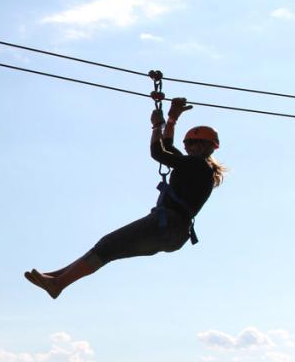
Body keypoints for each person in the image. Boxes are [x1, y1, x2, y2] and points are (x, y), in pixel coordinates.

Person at [24, 97, 225, 299]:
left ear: (209, 147)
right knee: (108, 247)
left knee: (109, 245)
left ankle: (59, 283)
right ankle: (57, 278)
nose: (192, 147)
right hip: (174, 232)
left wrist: (157, 125)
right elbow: (167, 146)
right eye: (190, 143)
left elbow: (158, 151)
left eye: (198, 144)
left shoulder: (197, 165)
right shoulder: (194, 165)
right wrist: (172, 120)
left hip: (168, 225)